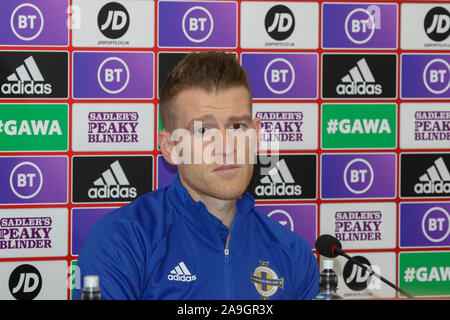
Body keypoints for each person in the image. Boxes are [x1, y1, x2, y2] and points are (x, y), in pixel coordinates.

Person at [72, 51, 319, 300]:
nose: (226, 147)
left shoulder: (293, 253)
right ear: (170, 148)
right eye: (203, 130)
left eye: (237, 127)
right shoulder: (121, 241)